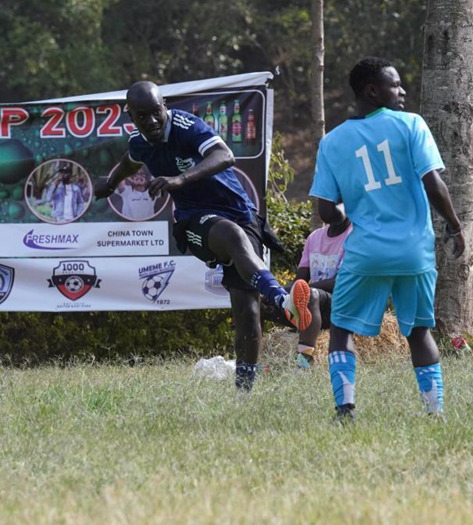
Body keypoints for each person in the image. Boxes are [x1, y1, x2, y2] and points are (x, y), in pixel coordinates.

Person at [94, 81, 312, 391]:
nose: (153, 121)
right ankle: (281, 298)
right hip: (193, 218)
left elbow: (224, 155)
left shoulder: (187, 126)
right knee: (233, 237)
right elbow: (130, 160)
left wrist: (180, 179)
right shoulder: (139, 142)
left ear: (164, 106)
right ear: (131, 115)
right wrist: (112, 182)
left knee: (247, 307)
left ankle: (243, 394)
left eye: (157, 112)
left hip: (239, 211)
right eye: (143, 116)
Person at [310, 57, 465, 421]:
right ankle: (435, 412)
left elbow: (325, 211)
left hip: (366, 255)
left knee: (342, 329)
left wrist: (346, 214)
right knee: (418, 332)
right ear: (372, 90)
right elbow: (433, 183)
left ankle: (345, 409)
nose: (403, 91)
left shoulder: (332, 142)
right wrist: (455, 226)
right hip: (414, 253)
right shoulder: (412, 125)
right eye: (396, 85)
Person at [261, 208, 353, 370]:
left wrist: (302, 290)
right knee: (260, 302)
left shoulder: (356, 236)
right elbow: (300, 280)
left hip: (342, 306)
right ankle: (256, 361)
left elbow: (341, 282)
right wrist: (275, 292)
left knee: (309, 295)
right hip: (313, 306)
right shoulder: (314, 237)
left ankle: (304, 362)